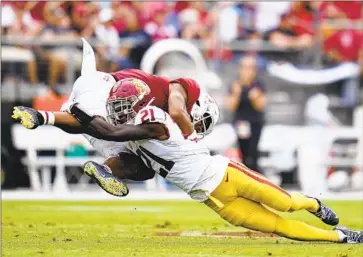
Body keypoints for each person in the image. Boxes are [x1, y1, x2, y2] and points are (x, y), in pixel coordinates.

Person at [13, 86, 363, 244]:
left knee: (286, 202)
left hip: (226, 175)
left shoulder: (152, 120)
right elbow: (121, 146)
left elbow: (113, 130)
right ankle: (339, 238)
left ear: (138, 103)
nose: (119, 109)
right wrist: (56, 118)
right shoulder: (132, 129)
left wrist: (81, 115)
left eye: (124, 104)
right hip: (214, 200)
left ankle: (316, 205)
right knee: (279, 228)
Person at [11, 38, 202, 196]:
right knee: (107, 129)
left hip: (104, 103)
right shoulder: (183, 89)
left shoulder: (158, 116)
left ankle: (105, 168)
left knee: (142, 167)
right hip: (101, 89)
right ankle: (50, 115)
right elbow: (177, 112)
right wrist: (192, 139)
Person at [225, 55, 267, 173]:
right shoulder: (235, 85)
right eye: (245, 68)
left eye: (251, 68)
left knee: (253, 151)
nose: (247, 71)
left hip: (255, 122)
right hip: (241, 122)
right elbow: (230, 106)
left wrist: (255, 97)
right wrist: (236, 94)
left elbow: (261, 105)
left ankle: (255, 174)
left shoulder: (258, 85)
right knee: (243, 152)